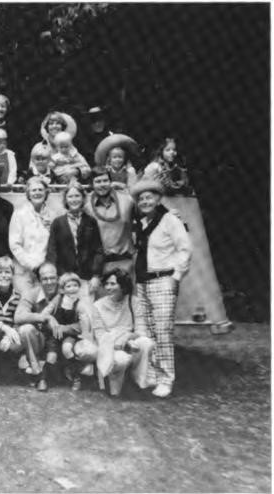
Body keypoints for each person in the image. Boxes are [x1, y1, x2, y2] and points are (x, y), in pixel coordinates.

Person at [131, 179, 192, 398]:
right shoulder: (142, 222)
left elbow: (185, 248)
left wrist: (176, 276)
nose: (145, 201)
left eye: (149, 197)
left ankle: (166, 378)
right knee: (146, 330)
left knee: (163, 330)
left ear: (158, 199)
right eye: (141, 199)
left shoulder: (169, 220)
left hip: (163, 279)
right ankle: (153, 375)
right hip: (143, 281)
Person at [75, 268, 155, 397]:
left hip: (130, 340)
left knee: (146, 343)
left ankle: (140, 382)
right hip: (109, 345)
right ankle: (114, 386)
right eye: (106, 284)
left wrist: (128, 337)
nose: (108, 287)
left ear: (123, 286)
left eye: (113, 284)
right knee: (121, 360)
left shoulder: (133, 301)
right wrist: (118, 344)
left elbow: (141, 330)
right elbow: (100, 335)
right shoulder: (98, 305)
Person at [46, 181, 104, 299]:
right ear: (65, 199)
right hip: (64, 278)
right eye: (70, 196)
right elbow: (52, 251)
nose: (74, 199)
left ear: (83, 198)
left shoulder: (91, 221)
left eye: (77, 196)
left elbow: (98, 250)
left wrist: (96, 276)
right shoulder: (58, 222)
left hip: (86, 277)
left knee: (86, 312)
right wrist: (58, 276)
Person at [39, 272, 93, 391]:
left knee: (67, 349)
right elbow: (47, 311)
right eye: (68, 286)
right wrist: (46, 318)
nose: (72, 289)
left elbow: (84, 321)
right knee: (51, 356)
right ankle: (43, 380)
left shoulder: (80, 303)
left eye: (75, 285)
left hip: (69, 334)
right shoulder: (58, 299)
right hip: (55, 333)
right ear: (63, 289)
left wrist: (84, 335)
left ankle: (76, 377)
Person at [12, 262, 60, 392]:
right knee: (26, 329)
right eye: (45, 279)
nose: (49, 282)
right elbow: (19, 316)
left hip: (59, 338)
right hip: (38, 340)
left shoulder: (65, 292)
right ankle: (38, 373)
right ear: (39, 280)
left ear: (57, 278)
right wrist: (44, 317)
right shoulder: (31, 293)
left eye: (52, 278)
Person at [9, 176, 59, 294]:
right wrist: (32, 265)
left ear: (46, 193)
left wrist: (45, 267)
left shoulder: (53, 215)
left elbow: (56, 244)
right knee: (25, 302)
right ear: (28, 194)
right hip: (23, 270)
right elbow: (14, 244)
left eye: (40, 190)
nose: (37, 193)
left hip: (46, 271)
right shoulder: (19, 214)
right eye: (34, 190)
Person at [84, 167, 136, 277]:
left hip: (125, 261)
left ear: (110, 182)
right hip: (98, 265)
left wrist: (168, 213)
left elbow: (145, 210)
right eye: (98, 181)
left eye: (105, 180)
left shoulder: (127, 200)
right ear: (92, 184)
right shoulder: (86, 205)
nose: (102, 184)